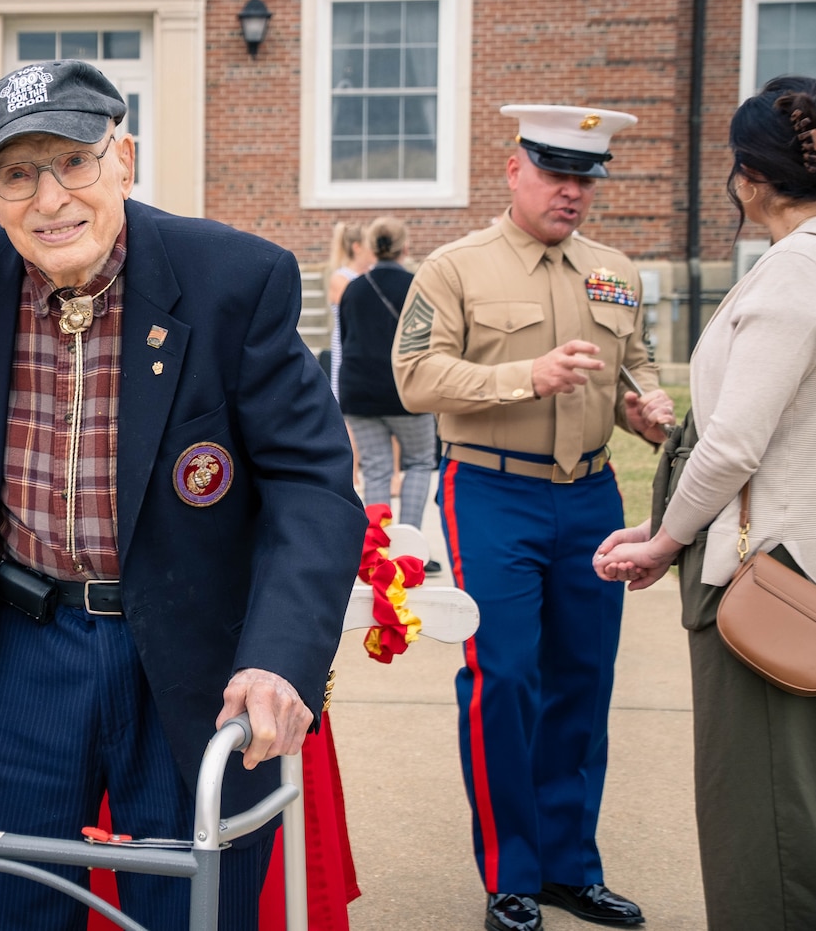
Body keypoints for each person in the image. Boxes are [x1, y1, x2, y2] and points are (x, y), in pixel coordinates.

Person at [0, 60, 364, 931]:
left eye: (73, 160)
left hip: (185, 658)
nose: (48, 196)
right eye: (17, 172)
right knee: (4, 905)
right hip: (25, 649)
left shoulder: (231, 279)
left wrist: (280, 655)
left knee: (188, 911)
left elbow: (312, 484)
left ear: (124, 159)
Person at [392, 105, 675, 931]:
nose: (572, 192)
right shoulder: (454, 268)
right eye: (555, 173)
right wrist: (526, 376)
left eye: (585, 177)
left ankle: (568, 867)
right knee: (504, 677)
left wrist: (646, 410)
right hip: (489, 489)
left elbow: (636, 367)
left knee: (582, 681)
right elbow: (413, 377)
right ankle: (510, 873)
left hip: (589, 496)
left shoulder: (614, 269)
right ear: (514, 169)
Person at [594, 77, 816, 931]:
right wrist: (661, 524)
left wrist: (663, 543)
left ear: (747, 180)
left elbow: (732, 444)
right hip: (794, 556)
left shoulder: (790, 279)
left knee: (762, 821)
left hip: (772, 581)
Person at [338, 216, 436, 532]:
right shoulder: (418, 286)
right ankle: (412, 547)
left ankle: (379, 550)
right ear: (404, 247)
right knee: (420, 463)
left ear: (371, 248)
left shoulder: (353, 289)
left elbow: (345, 337)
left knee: (376, 470)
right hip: (406, 392)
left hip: (359, 391)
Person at [325, 220, 374, 401]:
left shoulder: (374, 273)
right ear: (357, 247)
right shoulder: (341, 278)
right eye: (371, 244)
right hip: (348, 345)